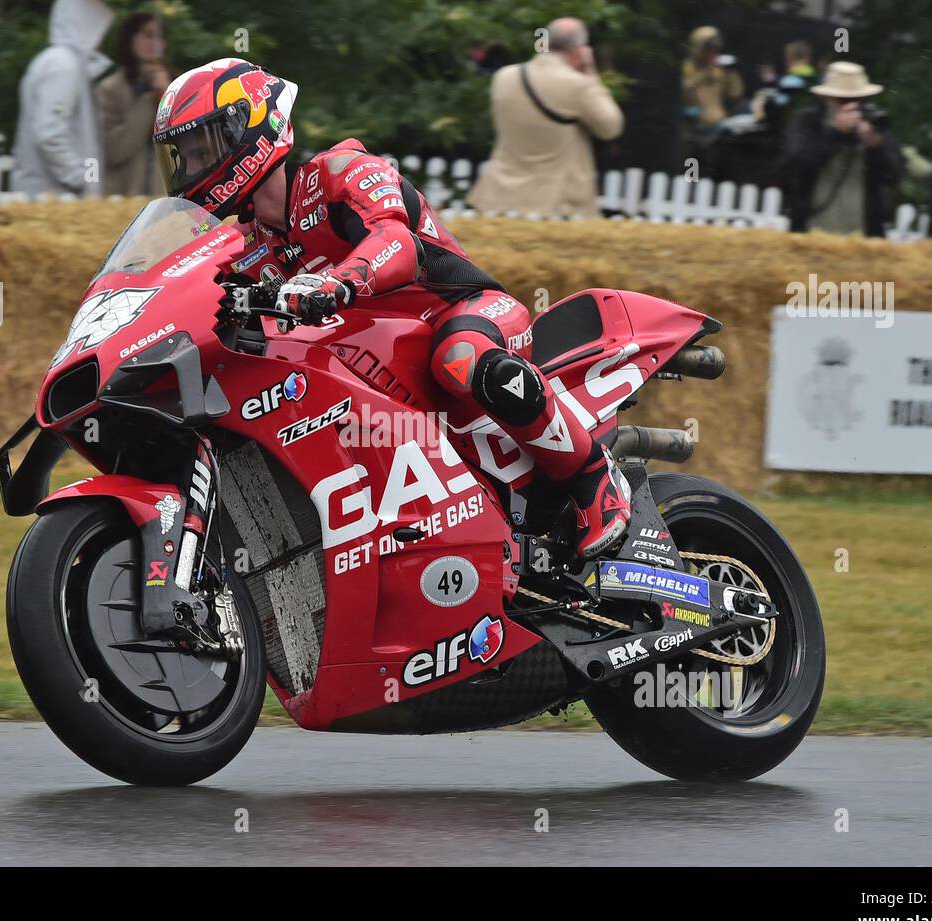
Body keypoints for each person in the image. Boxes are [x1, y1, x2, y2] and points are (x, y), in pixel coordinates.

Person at [152, 59, 633, 558]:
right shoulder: (243, 243)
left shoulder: (340, 173)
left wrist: (337, 283)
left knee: (460, 359)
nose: (189, 167)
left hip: (457, 312)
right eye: (181, 155)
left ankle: (595, 483)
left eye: (198, 148)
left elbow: (396, 244)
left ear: (248, 130)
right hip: (371, 362)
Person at [467, 17, 623, 218]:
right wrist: (590, 74)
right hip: (555, 205)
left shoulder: (504, 77)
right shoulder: (578, 85)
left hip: (499, 199)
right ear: (579, 49)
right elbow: (610, 127)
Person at [779, 61, 903, 237]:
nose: (851, 106)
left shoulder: (873, 124)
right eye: (843, 100)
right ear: (826, 99)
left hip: (863, 242)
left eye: (858, 100)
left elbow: (895, 175)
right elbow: (794, 167)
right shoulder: (807, 122)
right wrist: (834, 133)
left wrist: (876, 147)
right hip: (811, 236)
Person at [11, 0, 113, 197]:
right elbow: (49, 134)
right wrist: (81, 181)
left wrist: (90, 183)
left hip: (58, 197)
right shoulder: (63, 65)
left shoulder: (67, 64)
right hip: (53, 198)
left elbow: (85, 143)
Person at [95, 10, 169, 196]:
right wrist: (147, 101)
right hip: (122, 198)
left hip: (162, 202)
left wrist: (166, 97)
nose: (154, 43)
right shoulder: (110, 89)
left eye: (159, 36)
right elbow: (113, 150)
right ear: (130, 39)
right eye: (147, 35)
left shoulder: (175, 86)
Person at [680, 26, 743, 148]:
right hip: (694, 128)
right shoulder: (688, 68)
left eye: (715, 49)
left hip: (718, 126)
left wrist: (731, 73)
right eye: (709, 49)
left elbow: (735, 94)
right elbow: (685, 91)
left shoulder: (719, 71)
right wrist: (704, 75)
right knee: (692, 164)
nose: (713, 53)